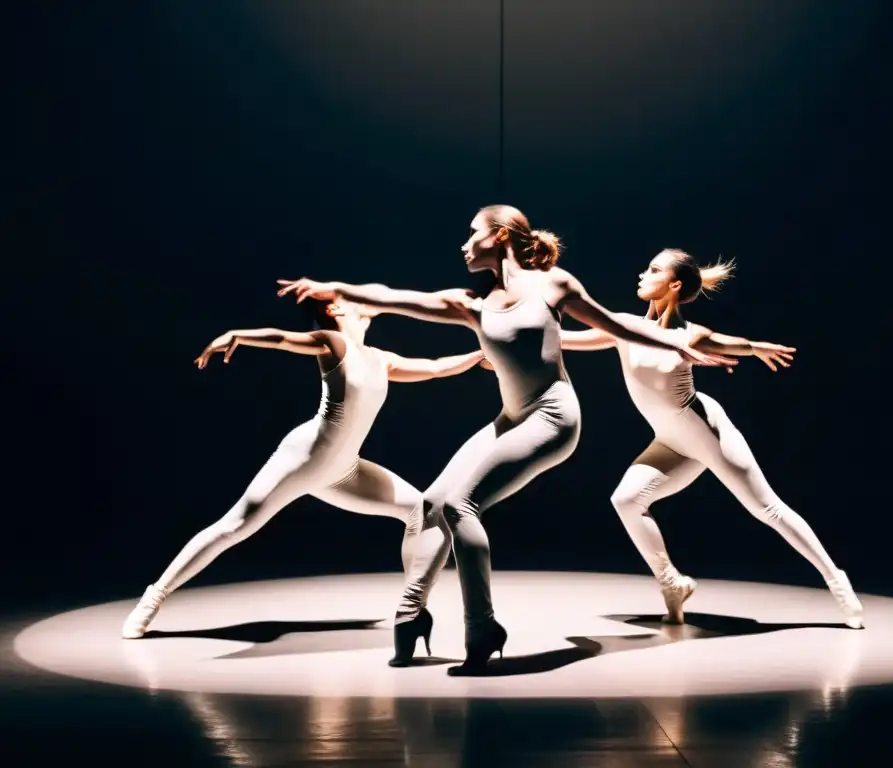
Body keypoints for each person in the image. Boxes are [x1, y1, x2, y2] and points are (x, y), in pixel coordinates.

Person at [277, 205, 738, 672]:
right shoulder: (471, 303)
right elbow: (395, 297)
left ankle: (482, 626)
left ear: (499, 237)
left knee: (461, 507)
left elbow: (612, 325)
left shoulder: (554, 284)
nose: (463, 243)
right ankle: (410, 615)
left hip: (555, 418)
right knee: (431, 504)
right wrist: (337, 289)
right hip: (512, 418)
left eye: (471, 233)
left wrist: (675, 345)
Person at [121, 300, 486, 661]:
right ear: (334, 312)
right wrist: (236, 335)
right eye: (349, 299)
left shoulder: (379, 358)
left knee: (423, 511)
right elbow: (281, 339)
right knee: (233, 527)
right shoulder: (332, 342)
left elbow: (437, 368)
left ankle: (412, 608)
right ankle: (152, 599)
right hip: (302, 460)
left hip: (344, 470)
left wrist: (484, 354)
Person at [559, 249, 864, 628]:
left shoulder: (690, 335)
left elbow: (726, 341)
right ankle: (673, 583)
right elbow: (562, 339)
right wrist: (504, 332)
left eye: (653, 269)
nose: (641, 274)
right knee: (625, 499)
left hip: (707, 433)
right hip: (670, 442)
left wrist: (754, 348)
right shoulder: (623, 327)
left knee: (766, 508)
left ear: (673, 285)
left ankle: (836, 579)